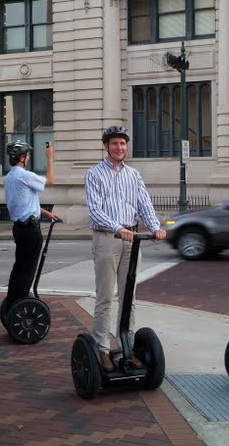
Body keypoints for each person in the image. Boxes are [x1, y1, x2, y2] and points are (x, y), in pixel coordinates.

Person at [84, 125, 165, 372]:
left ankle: (127, 348)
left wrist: (156, 227)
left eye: (122, 144)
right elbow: (94, 210)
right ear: (106, 146)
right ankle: (101, 350)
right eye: (114, 144)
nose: (119, 148)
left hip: (132, 239)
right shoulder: (94, 173)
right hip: (107, 238)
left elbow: (144, 204)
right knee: (105, 298)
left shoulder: (134, 175)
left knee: (129, 298)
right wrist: (118, 228)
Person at [3, 140, 58, 310]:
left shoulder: (9, 177)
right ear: (22, 158)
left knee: (19, 267)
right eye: (27, 156)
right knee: (28, 270)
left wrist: (44, 212)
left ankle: (13, 299)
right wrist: (50, 158)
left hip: (19, 228)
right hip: (30, 231)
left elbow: (22, 202)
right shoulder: (24, 175)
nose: (28, 158)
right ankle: (21, 304)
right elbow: (50, 181)